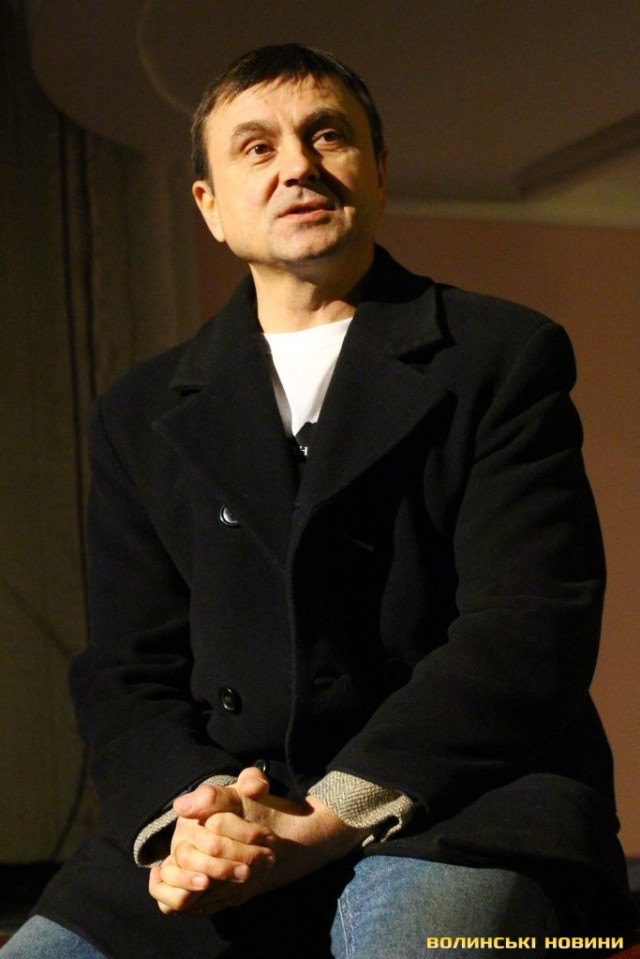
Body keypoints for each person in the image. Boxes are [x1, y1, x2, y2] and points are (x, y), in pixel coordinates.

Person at [3, 43, 635, 959]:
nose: (296, 164)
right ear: (209, 206)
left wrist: (325, 818)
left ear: (377, 171)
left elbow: (528, 629)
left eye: (327, 135)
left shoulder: (502, 355)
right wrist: (196, 823)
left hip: (459, 804)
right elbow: (125, 671)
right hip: (224, 814)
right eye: (256, 147)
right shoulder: (138, 411)